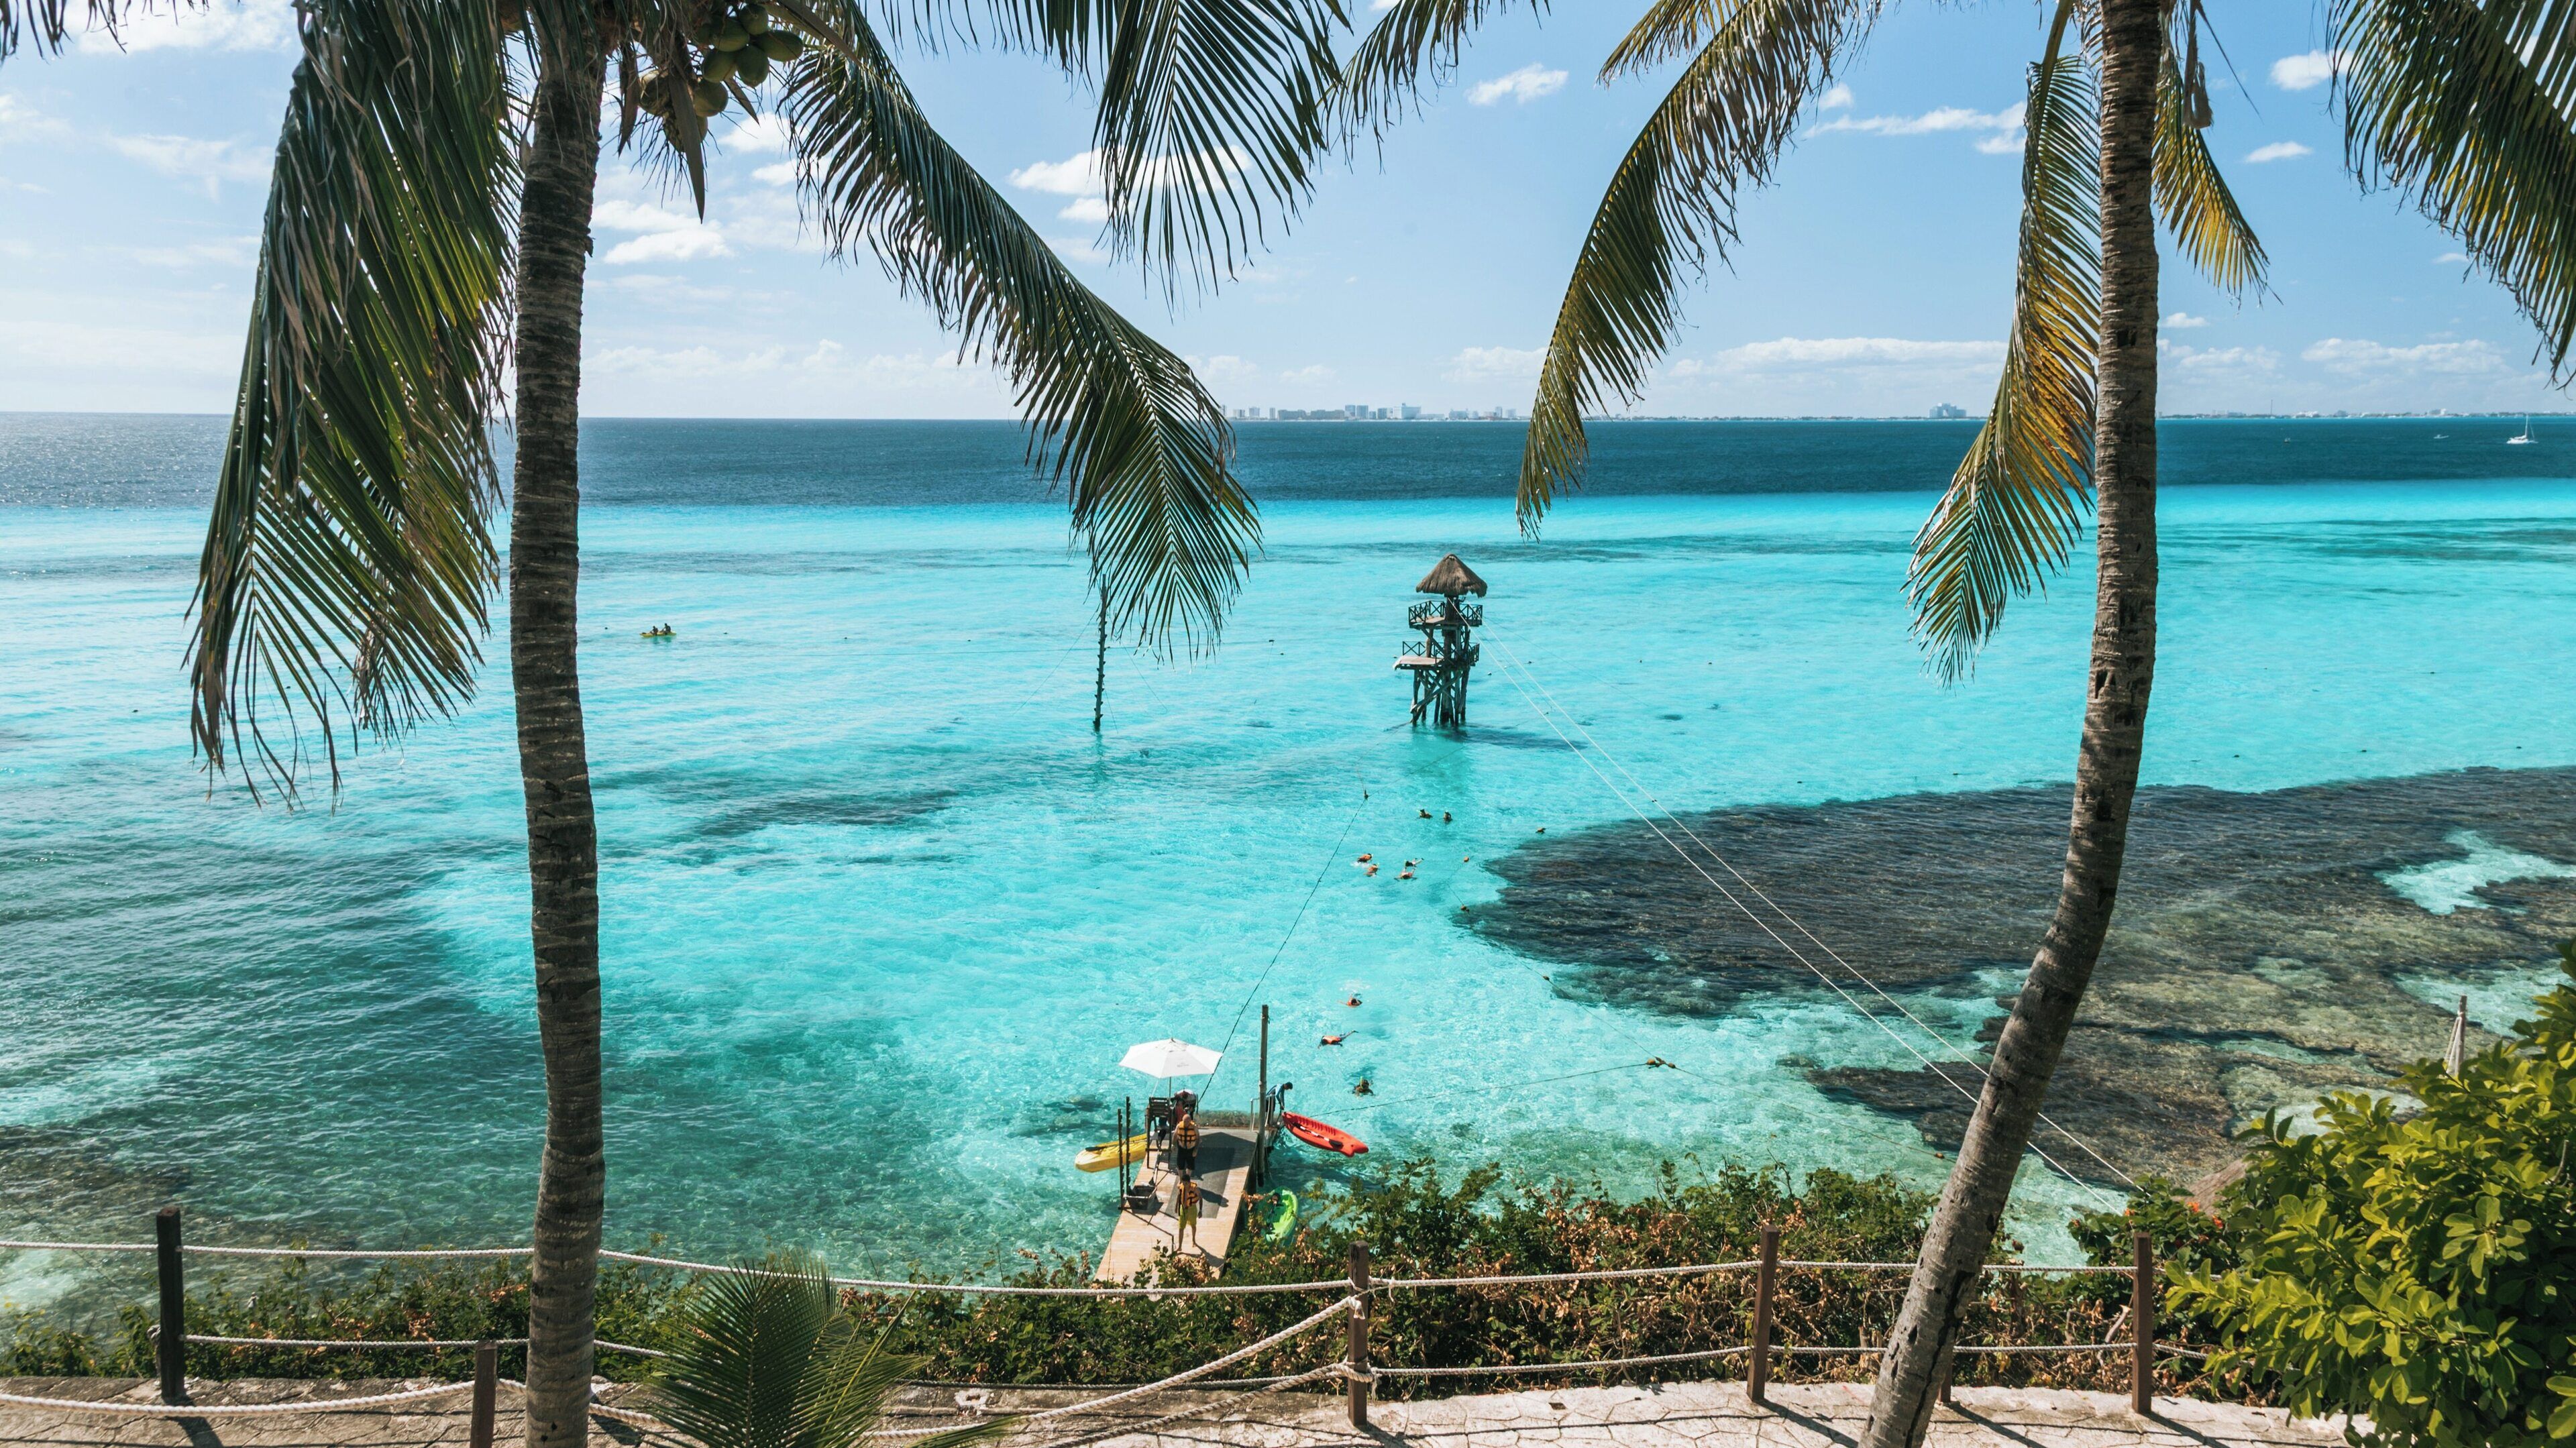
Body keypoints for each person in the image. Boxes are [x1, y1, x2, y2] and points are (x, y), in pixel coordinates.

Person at [1171, 1101, 1200, 1180]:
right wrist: (1173, 1144)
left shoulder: (1194, 1127)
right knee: (1180, 1165)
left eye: (1188, 1122)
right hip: (1182, 1148)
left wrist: (1196, 1150)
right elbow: (1175, 1135)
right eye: (1185, 1121)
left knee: (1190, 1165)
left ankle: (1187, 1179)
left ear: (1190, 1121)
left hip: (1191, 1148)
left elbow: (1198, 1138)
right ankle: (1181, 1180)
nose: (1186, 1123)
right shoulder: (1179, 1126)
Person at [1175, 1175, 1203, 1251]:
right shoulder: (1182, 1186)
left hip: (1192, 1209)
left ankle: (1194, 1240)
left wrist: (1201, 1210)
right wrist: (1176, 1206)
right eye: (1183, 1184)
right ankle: (1180, 1246)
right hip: (1183, 1209)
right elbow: (1179, 1194)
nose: (1185, 1185)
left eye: (1186, 1184)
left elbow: (1200, 1198)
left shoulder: (1195, 1188)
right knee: (1181, 1228)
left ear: (1189, 1182)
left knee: (1193, 1226)